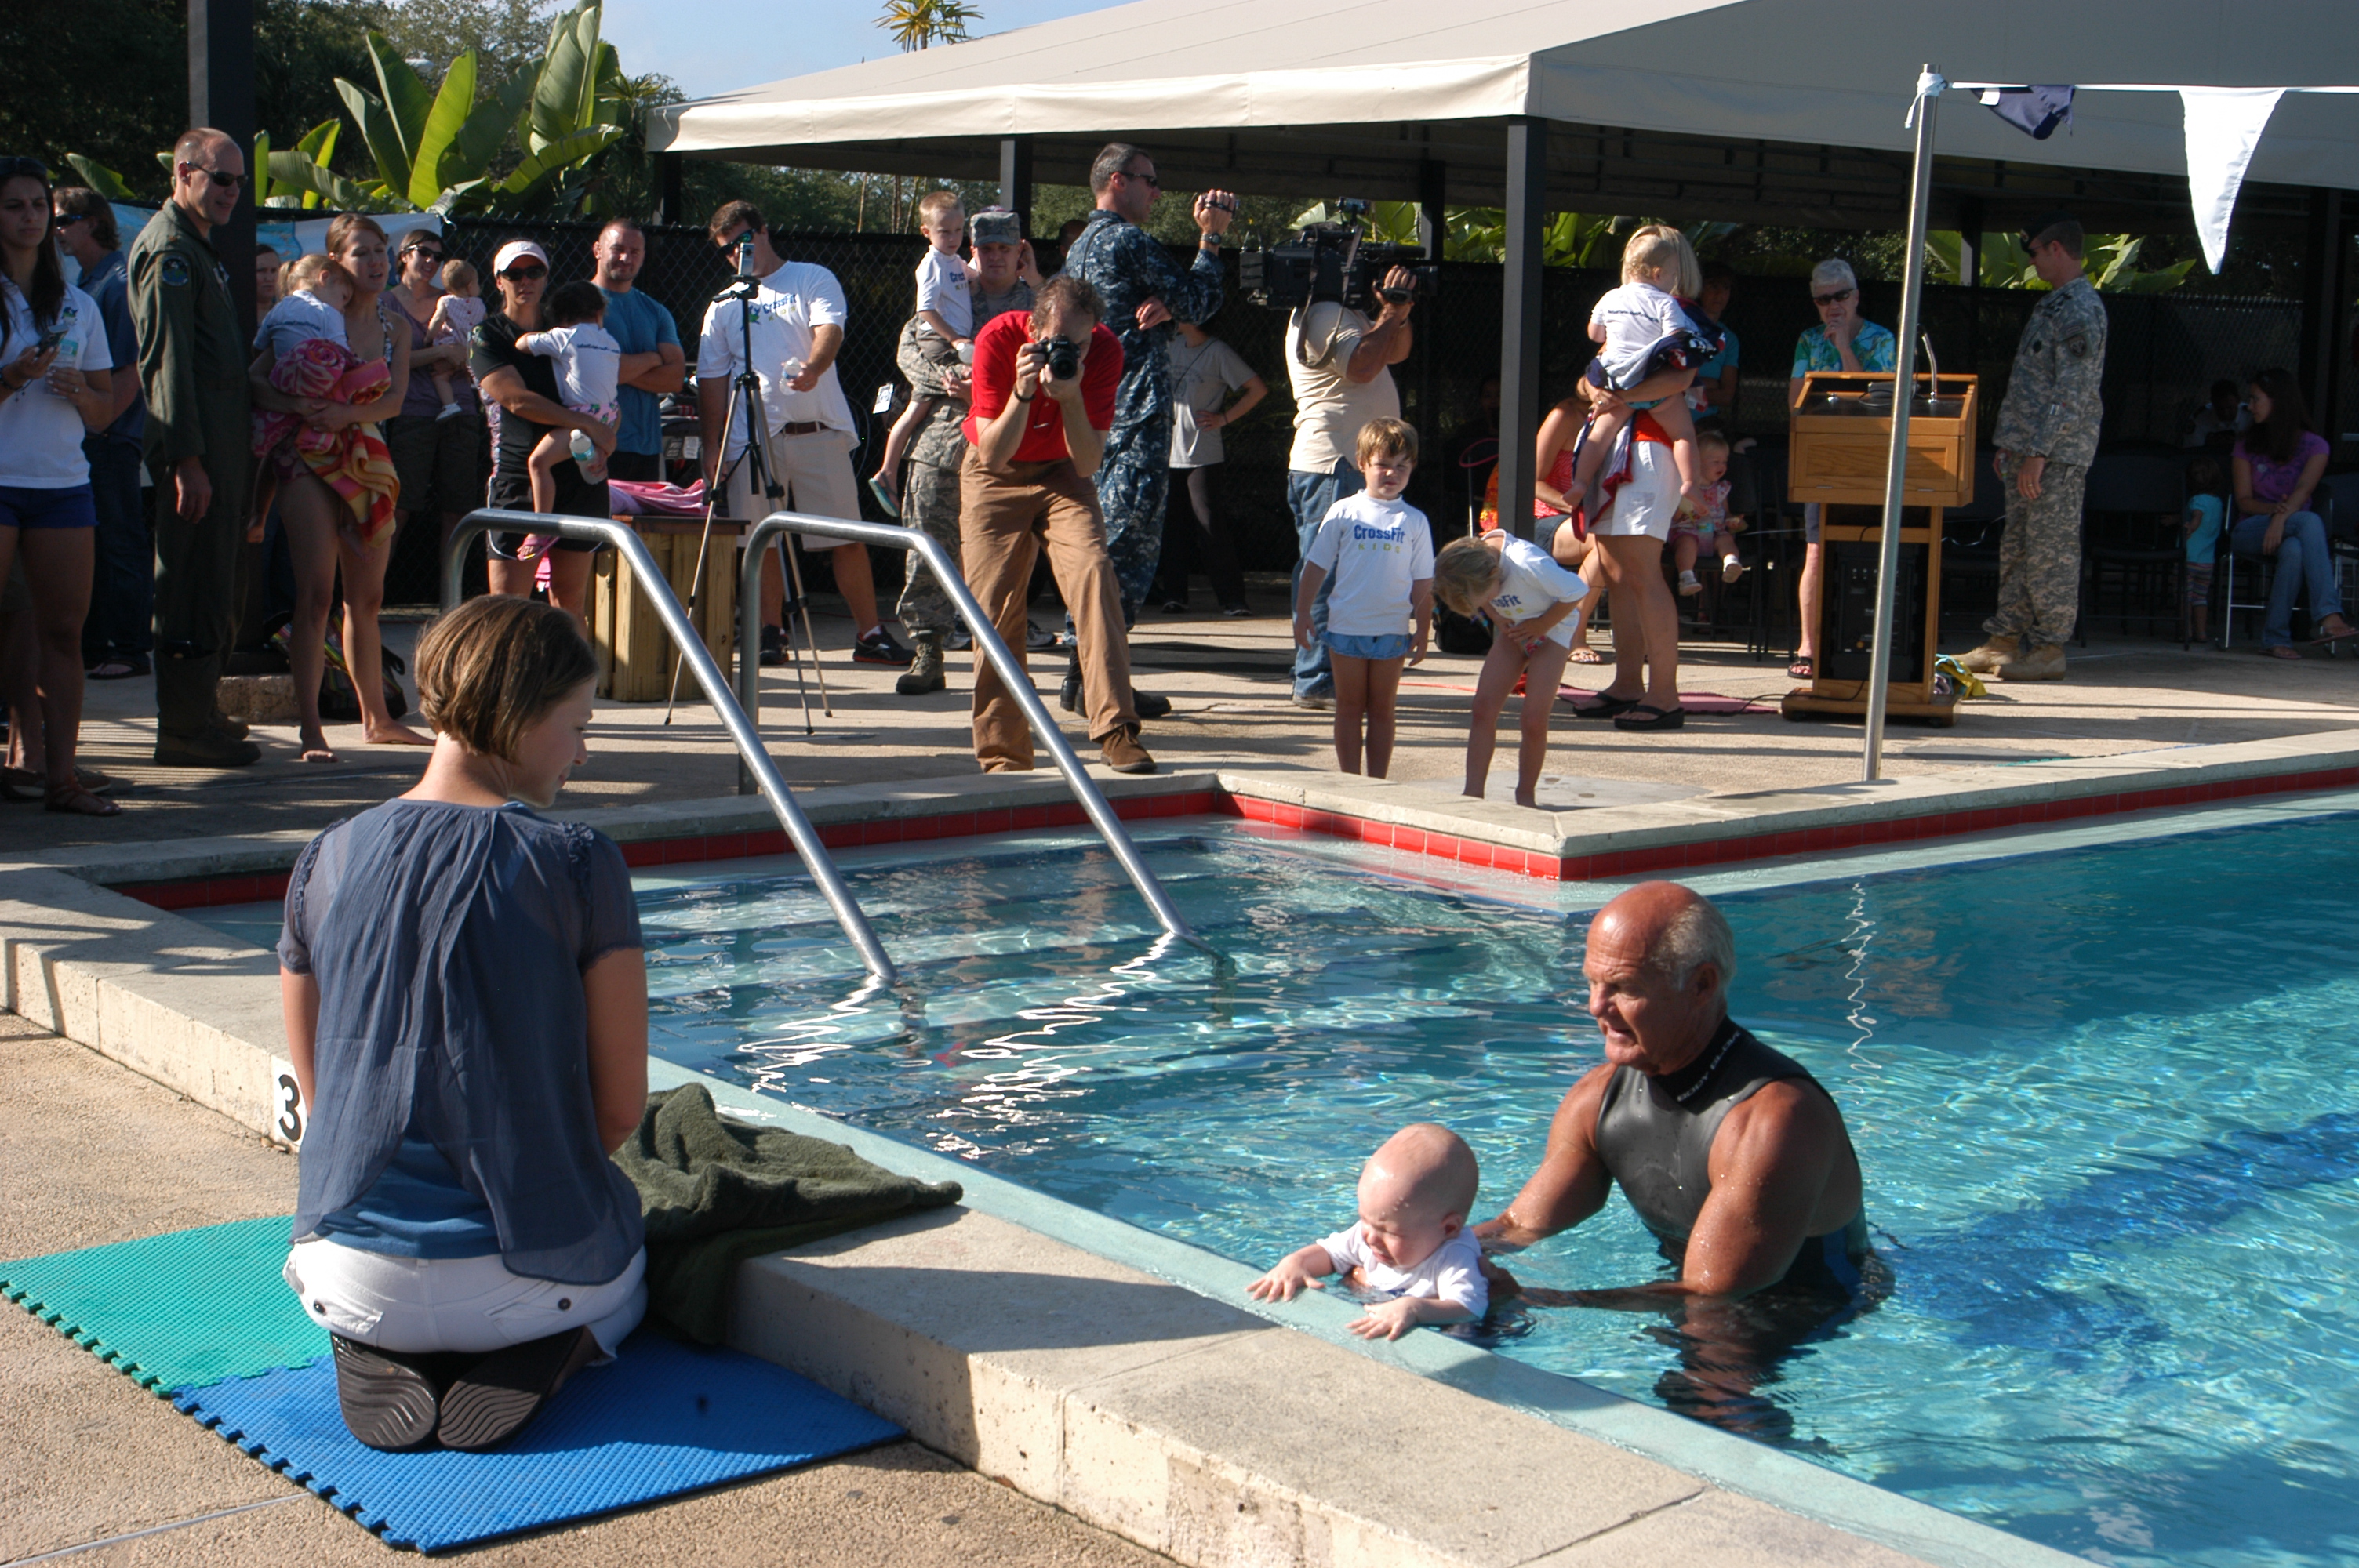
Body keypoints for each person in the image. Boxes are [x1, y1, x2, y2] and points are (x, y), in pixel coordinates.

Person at [278, 594, 649, 1454]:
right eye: (577, 724)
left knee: (354, 1253)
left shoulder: (324, 856)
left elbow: (321, 1099)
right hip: (533, 1290)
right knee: (629, 1250)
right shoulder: (578, 861)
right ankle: (562, 1348)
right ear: (519, 716)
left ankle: (372, 1334)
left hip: (343, 1270)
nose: (583, 752)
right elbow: (619, 1114)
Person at [1475, 881, 1872, 1435]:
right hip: (1695, 1286)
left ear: (1701, 984)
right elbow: (1518, 1226)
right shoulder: (1599, 1098)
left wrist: (1537, 1298)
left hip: (1795, 1302)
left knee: (1705, 1396)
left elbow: (1716, 1295)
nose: (1596, 1008)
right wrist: (1417, 1248)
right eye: (1592, 982)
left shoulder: (1773, 1119)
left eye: (1624, 988)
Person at [1056, 143, 1236, 715]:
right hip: (1136, 413)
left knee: (1116, 544)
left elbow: (1166, 304)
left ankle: (1096, 676)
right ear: (1116, 181)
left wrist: (1163, 305)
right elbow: (1200, 299)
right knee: (1122, 547)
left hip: (1100, 413)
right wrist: (1211, 237)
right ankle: (1087, 675)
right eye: (1149, 180)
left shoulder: (1082, 245)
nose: (1158, 192)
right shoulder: (1125, 239)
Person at [698, 202, 907, 668]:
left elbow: (829, 327)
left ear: (764, 231)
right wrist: (711, 444)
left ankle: (870, 635)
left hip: (817, 430)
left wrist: (814, 368)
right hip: (750, 438)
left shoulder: (810, 277)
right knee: (760, 540)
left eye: (744, 240)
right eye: (727, 249)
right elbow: (712, 378)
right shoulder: (722, 305)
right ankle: (769, 633)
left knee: (843, 536)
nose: (738, 253)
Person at [960, 275, 1154, 776]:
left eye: (1082, 341)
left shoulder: (1105, 350)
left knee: (1093, 573)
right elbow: (994, 454)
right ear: (1033, 327)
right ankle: (1005, 753)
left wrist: (1069, 396)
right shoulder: (998, 339)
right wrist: (1023, 394)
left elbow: (1088, 462)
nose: (1071, 350)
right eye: (1057, 343)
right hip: (993, 475)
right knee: (995, 607)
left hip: (1064, 472)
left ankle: (1116, 730)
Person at [249, 215, 423, 761]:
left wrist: (344, 412)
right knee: (316, 596)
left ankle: (378, 718)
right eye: (361, 253)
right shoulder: (310, 316)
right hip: (306, 454)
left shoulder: (395, 328)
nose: (374, 262)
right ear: (334, 265)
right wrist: (297, 406)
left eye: (380, 251)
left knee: (366, 600)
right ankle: (311, 730)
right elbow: (254, 377)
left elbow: (393, 402)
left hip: (366, 454)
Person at [129, 127, 258, 767]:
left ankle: (201, 708)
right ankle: (181, 726)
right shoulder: (170, 252)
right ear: (184, 172)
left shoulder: (199, 249)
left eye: (240, 181)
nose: (234, 192)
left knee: (220, 580)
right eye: (222, 179)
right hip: (197, 451)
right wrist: (187, 460)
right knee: (191, 583)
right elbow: (167, 363)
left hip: (222, 448)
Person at [0, 156, 120, 816]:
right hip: (1, 480)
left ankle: (63, 781)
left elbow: (105, 411)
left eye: (39, 207)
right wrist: (12, 378)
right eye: (15, 205)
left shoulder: (76, 302)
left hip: (62, 484)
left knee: (65, 635)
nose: (29, 217)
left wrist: (81, 395)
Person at [892, 208, 1041, 698]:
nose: (995, 256)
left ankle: (999, 654)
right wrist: (949, 382)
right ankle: (928, 649)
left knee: (1004, 557)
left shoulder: (1037, 306)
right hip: (941, 443)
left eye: (1005, 248)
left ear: (1020, 251)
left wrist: (980, 389)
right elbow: (910, 353)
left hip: (1007, 449)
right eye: (987, 248)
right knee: (929, 548)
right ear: (971, 249)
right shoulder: (946, 288)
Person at [1958, 216, 2110, 684]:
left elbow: (2074, 388)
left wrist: (2041, 451)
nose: (2032, 260)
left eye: (2036, 252)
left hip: (2056, 458)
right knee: (2020, 548)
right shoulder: (2053, 305)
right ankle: (2004, 640)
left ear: (2058, 249)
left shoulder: (2080, 308)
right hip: (2030, 453)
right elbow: (2033, 383)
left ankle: (2048, 647)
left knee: (2051, 552)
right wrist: (2013, 445)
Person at [1285, 253, 1416, 709]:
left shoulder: (1353, 314)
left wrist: (1397, 313)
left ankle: (1320, 672)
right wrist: (1389, 314)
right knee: (1325, 573)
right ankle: (1316, 677)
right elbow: (1362, 365)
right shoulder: (1322, 313)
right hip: (1332, 464)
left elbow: (1393, 352)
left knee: (1342, 573)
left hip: (1344, 464)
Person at [472, 240, 614, 632]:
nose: (525, 281)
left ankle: (573, 694)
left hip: (579, 477)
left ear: (546, 277)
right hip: (519, 479)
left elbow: (603, 388)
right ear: (499, 281)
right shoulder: (488, 335)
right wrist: (588, 424)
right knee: (507, 609)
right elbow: (516, 400)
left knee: (569, 604)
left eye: (534, 272)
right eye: (515, 274)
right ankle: (503, 694)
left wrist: (605, 429)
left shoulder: (567, 330)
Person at [1247, 1123, 1486, 1341]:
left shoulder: (1453, 1255)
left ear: (1449, 1228)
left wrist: (1415, 1309)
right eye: (1364, 1219)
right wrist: (1296, 1263)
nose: (1370, 1238)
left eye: (1388, 1232)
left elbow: (1469, 1308)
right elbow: (1330, 1254)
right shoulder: (1370, 1231)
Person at [1292, 419, 1432, 779]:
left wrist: (1424, 628)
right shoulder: (1343, 511)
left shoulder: (1415, 521)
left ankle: (1378, 782)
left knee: (1383, 709)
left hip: (1391, 631)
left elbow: (1423, 581)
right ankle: (1350, 779)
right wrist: (1303, 612)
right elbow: (1316, 565)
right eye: (1383, 464)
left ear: (1413, 468)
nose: (1391, 473)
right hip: (1346, 628)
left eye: (1402, 466)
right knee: (1349, 707)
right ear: (1362, 463)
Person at [52, 186, 150, 683]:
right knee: (94, 545)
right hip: (91, 434)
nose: (57, 232)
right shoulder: (89, 281)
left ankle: (130, 647)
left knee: (120, 543)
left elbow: (131, 366)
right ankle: (95, 646)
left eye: (62, 221)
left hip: (110, 436)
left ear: (91, 222)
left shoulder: (116, 279)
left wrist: (104, 418)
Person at [1783, 260, 1897, 682]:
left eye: (1840, 297)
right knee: (1817, 548)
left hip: (1870, 456)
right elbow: (1795, 402)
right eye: (1823, 299)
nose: (1833, 306)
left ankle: (1868, 642)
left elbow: (1882, 398)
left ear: (1856, 296)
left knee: (1869, 548)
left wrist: (1846, 347)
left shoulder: (1881, 338)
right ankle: (1808, 645)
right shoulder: (1809, 341)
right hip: (1824, 456)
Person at [1434, 524, 1590, 807]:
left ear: (1495, 574)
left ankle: (1525, 794)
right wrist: (1494, 615)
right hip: (1515, 629)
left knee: (1533, 718)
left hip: (1551, 630)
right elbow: (1481, 595)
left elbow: (1577, 591)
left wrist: (1542, 624)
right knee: (1483, 708)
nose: (1488, 602)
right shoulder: (1473, 558)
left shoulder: (1528, 562)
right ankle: (1473, 792)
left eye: (1488, 597)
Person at [1565, 227, 1710, 521]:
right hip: (1639, 424)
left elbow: (1596, 339)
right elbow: (1676, 343)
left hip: (1645, 441)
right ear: (1660, 273)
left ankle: (1579, 482)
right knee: (1684, 434)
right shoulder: (1661, 305)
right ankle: (1691, 483)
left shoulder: (1615, 301)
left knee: (1598, 434)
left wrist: (1616, 395)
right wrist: (1596, 391)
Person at [2227, 368, 2355, 657]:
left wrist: (2282, 519)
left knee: (2296, 548)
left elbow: (2303, 492)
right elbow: (2245, 501)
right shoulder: (2245, 446)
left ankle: (2275, 638)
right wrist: (2275, 514)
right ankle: (2328, 614)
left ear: (2278, 401)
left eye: (2257, 399)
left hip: (2291, 529)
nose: (2251, 406)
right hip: (2251, 529)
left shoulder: (2315, 446)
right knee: (2309, 521)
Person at [869, 190, 973, 516]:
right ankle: (887, 471)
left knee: (920, 403)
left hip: (953, 340)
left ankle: (887, 472)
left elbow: (977, 276)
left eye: (958, 230)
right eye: (945, 231)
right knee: (920, 402)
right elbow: (926, 310)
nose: (953, 237)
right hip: (937, 341)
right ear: (927, 232)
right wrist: (955, 339)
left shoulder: (955, 261)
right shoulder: (930, 265)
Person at [385, 230, 484, 566]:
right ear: (403, 255)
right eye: (423, 253)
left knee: (457, 510)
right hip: (412, 411)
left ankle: (451, 606)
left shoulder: (457, 300)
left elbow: (477, 349)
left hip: (462, 410)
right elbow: (385, 363)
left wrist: (463, 356)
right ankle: (366, 602)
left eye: (437, 257)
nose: (430, 262)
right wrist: (441, 352)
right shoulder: (385, 303)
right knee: (397, 508)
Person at [1155, 312, 1263, 615]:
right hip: (1168, 452)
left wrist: (1224, 418)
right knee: (1172, 527)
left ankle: (1233, 599)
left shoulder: (1218, 352)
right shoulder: (1170, 344)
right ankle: (1174, 596)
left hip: (1202, 454)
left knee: (1209, 524)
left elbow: (1257, 388)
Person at [517, 281, 621, 523]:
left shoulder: (564, 337)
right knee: (585, 453)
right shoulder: (611, 342)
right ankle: (595, 453)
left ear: (562, 317)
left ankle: (540, 526)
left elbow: (521, 344)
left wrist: (540, 334)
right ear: (599, 313)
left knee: (538, 462)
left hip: (581, 417)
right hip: (611, 415)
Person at [591, 219, 684, 484]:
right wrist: (653, 359)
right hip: (594, 446)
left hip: (646, 449)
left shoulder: (655, 311)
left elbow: (674, 378)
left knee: (639, 527)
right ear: (598, 249)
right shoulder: (577, 303)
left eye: (634, 252)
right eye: (617, 249)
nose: (625, 258)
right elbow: (588, 369)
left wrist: (616, 368)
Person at [1670, 429, 1744, 597]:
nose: (1722, 466)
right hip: (1687, 532)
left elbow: (1726, 513)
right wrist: (1686, 507)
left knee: (1727, 539)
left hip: (1713, 534)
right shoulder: (1685, 489)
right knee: (1687, 544)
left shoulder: (1721, 489)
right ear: (1697, 463)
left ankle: (1731, 562)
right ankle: (1687, 577)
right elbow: (1674, 518)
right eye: (1715, 461)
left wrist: (1731, 520)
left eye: (1724, 461)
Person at [423, 260, 484, 418]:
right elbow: (485, 324)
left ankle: (449, 405)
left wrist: (429, 337)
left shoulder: (446, 301)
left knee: (440, 377)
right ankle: (476, 382)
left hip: (452, 345)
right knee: (474, 369)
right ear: (470, 286)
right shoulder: (480, 304)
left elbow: (437, 320)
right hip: (472, 348)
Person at [2182, 454, 2226, 644]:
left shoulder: (2197, 500)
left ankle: (2186, 631)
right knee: (2201, 598)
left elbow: (2198, 516)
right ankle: (2201, 633)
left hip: (2189, 557)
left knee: (2185, 595)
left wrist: (2190, 528)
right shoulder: (2217, 502)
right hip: (2207, 561)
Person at [1689, 263, 1739, 422]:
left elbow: (1726, 396)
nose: (1720, 294)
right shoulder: (1681, 327)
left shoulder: (1730, 340)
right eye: (1713, 286)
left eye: (1725, 288)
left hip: (1706, 426)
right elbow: (1669, 385)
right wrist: (1711, 384)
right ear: (1699, 289)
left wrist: (1689, 389)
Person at [2184, 378, 2246, 448]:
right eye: (2220, 409)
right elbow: (2192, 450)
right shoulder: (2200, 419)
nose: (2226, 413)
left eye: (2230, 408)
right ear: (2212, 402)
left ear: (2238, 400)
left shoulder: (2252, 416)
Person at [254, 242, 282, 319]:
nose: (269, 278)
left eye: (273, 271)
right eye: (261, 271)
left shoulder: (287, 315)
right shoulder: (233, 315)